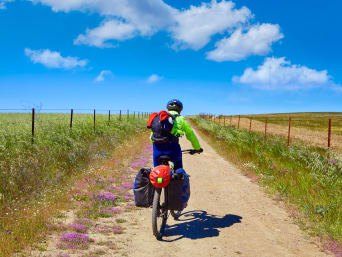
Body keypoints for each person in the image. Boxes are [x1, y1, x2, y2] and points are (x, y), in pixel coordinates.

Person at [151, 99, 203, 170]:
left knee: (156, 172)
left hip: (157, 149)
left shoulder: (159, 118)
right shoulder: (181, 119)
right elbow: (191, 135)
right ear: (180, 110)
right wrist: (197, 148)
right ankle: (179, 175)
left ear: (168, 108)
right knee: (179, 171)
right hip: (173, 150)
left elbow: (151, 137)